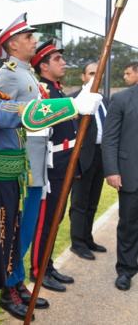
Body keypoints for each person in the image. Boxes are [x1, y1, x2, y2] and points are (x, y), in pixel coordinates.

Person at [0, 17, 101, 321]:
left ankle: (1, 290)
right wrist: (72, 105)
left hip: (9, 178)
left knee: (9, 241)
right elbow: (12, 114)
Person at [0, 13, 50, 309]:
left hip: (36, 164)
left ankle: (18, 282)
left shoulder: (26, 73)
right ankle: (9, 288)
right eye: (28, 37)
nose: (34, 40)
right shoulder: (8, 74)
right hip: (21, 167)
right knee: (16, 231)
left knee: (26, 229)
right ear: (12, 45)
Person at [29, 39, 78, 292]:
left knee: (56, 219)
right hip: (52, 165)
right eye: (57, 59)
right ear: (43, 66)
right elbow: (38, 117)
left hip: (65, 162)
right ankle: (38, 271)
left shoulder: (57, 90)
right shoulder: (42, 91)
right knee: (45, 222)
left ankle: (48, 266)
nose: (64, 63)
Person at [102, 61, 138, 291]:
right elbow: (110, 138)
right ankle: (125, 271)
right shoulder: (122, 99)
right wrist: (112, 171)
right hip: (131, 174)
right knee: (128, 225)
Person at [68, 63, 108, 260]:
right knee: (79, 202)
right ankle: (77, 242)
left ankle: (87, 238)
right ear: (83, 77)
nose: (95, 76)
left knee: (93, 201)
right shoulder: (74, 100)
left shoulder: (104, 100)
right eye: (91, 73)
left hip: (101, 156)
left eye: (98, 73)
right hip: (83, 157)